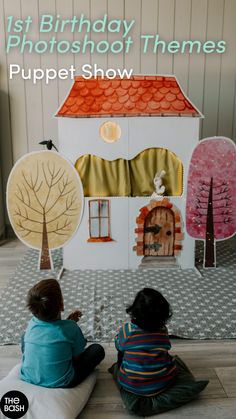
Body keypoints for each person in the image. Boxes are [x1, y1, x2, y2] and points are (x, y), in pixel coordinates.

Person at [21, 278, 105, 388]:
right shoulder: (71, 328)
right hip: (63, 381)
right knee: (97, 350)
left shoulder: (31, 324)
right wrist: (70, 324)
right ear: (61, 305)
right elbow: (77, 358)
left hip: (29, 376)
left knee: (24, 336)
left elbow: (51, 331)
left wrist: (68, 322)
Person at [110, 287, 177, 396]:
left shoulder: (128, 330)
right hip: (163, 383)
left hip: (130, 384)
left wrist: (120, 337)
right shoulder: (163, 330)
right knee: (166, 356)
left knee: (122, 349)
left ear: (134, 311)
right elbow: (166, 347)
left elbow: (119, 345)